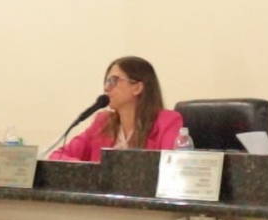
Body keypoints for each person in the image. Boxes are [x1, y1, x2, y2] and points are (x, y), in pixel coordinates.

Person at [49, 57, 183, 162]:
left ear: (137, 88)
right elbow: (57, 156)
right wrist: (92, 171)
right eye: (106, 82)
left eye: (113, 81)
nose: (106, 88)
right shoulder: (103, 122)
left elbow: (170, 169)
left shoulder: (167, 122)